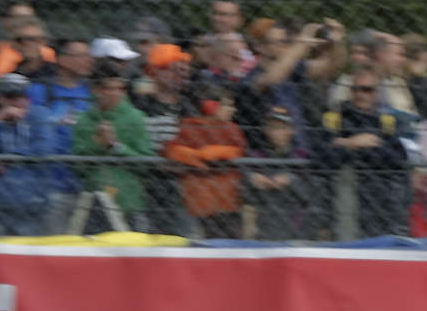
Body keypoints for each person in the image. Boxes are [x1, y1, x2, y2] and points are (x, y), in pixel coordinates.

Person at [0, 74, 68, 234]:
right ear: (0, 99)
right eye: (9, 97)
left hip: (34, 202)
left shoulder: (39, 114)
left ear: (27, 98)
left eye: (20, 97)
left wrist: (8, 158)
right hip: (1, 204)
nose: (15, 102)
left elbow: (45, 149)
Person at [318, 72, 412, 235]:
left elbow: (399, 159)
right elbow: (321, 157)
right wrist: (352, 143)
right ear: (350, 91)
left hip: (380, 200)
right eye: (356, 89)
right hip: (342, 199)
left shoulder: (386, 122)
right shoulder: (333, 119)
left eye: (366, 90)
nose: (360, 95)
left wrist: (341, 144)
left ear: (376, 94)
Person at [68, 64, 156, 233]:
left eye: (120, 89)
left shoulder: (136, 118)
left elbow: (145, 164)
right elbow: (77, 167)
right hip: (93, 203)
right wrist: (97, 145)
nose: (116, 94)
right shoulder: (84, 120)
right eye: (109, 89)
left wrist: (115, 146)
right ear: (96, 90)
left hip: (129, 204)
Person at [167, 79, 249, 238]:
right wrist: (194, 156)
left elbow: (242, 151)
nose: (233, 110)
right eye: (228, 105)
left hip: (228, 202)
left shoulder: (232, 129)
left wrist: (219, 152)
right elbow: (171, 150)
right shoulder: (190, 126)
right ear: (211, 105)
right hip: (199, 201)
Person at [244, 105, 316, 239]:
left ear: (291, 130)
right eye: (272, 127)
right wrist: (252, 178)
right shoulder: (257, 156)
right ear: (266, 130)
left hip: (293, 223)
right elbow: (244, 188)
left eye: (281, 127)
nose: (276, 132)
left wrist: (290, 180)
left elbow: (309, 194)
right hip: (264, 221)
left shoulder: (300, 156)